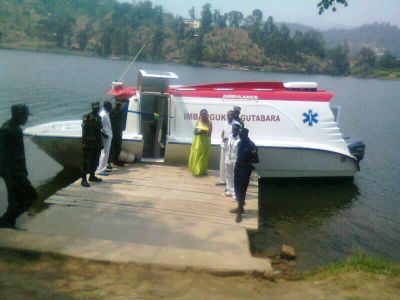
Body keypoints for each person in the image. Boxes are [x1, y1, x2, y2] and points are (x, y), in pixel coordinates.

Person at [0, 104, 38, 228]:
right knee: (29, 195)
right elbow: (3, 155)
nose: (26, 119)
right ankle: (6, 221)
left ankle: (8, 222)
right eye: (25, 116)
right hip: (12, 173)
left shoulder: (16, 129)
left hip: (19, 171)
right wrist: (10, 176)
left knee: (19, 199)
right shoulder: (7, 130)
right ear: (18, 115)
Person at [231, 128, 259, 221]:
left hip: (245, 169)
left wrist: (252, 159)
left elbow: (256, 160)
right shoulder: (239, 143)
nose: (240, 137)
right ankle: (240, 207)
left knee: (242, 189)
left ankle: (239, 212)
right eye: (240, 135)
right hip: (238, 167)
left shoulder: (252, 146)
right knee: (236, 187)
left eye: (242, 135)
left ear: (246, 135)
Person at [81, 102, 104, 187]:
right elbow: (84, 131)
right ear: (92, 108)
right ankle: (83, 180)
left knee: (95, 160)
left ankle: (92, 176)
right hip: (89, 143)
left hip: (97, 143)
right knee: (86, 161)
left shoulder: (99, 117)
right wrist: (84, 143)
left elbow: (99, 130)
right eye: (95, 108)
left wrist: (101, 143)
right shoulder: (87, 117)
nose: (96, 109)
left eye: (98, 108)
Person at [188, 109, 213, 176]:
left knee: (203, 157)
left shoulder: (209, 123)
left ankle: (202, 171)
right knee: (196, 155)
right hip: (198, 142)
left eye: (206, 114)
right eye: (203, 114)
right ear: (200, 115)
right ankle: (196, 170)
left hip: (205, 142)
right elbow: (195, 132)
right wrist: (199, 132)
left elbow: (209, 134)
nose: (204, 115)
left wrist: (204, 132)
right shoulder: (198, 122)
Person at [217, 110, 233, 186]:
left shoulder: (235, 124)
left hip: (230, 146)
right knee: (222, 163)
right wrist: (222, 137)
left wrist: (228, 138)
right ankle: (222, 180)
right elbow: (222, 132)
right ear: (227, 116)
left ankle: (228, 181)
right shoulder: (225, 122)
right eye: (228, 115)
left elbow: (236, 136)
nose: (230, 116)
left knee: (229, 164)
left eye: (231, 115)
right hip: (224, 145)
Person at [96, 101, 113, 176]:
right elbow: (99, 127)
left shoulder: (106, 114)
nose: (111, 108)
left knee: (107, 153)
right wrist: (103, 134)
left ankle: (104, 167)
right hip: (105, 137)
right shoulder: (102, 115)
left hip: (108, 136)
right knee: (104, 153)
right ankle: (100, 170)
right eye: (110, 107)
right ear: (106, 107)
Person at [224, 122, 241, 200]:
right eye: (233, 129)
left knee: (235, 177)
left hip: (235, 160)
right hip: (228, 159)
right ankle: (229, 191)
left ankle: (235, 193)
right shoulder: (229, 136)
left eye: (236, 129)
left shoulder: (240, 139)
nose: (234, 130)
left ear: (238, 130)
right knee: (228, 175)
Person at [109, 99, 125, 167]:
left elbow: (122, 121)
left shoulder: (120, 111)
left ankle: (116, 160)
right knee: (111, 147)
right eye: (118, 104)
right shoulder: (112, 111)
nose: (120, 105)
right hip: (113, 132)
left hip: (119, 132)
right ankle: (109, 161)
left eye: (120, 104)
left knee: (118, 147)